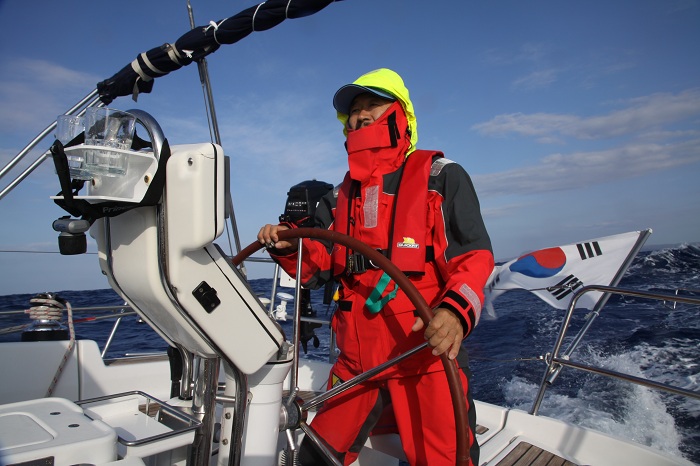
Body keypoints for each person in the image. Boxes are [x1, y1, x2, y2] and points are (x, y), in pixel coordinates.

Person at [258, 68, 493, 466]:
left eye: (373, 105)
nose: (361, 116)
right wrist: (287, 246)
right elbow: (317, 267)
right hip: (356, 361)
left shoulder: (441, 177)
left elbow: (474, 257)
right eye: (354, 111)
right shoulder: (338, 197)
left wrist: (454, 312)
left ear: (400, 115)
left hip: (424, 357)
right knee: (312, 457)